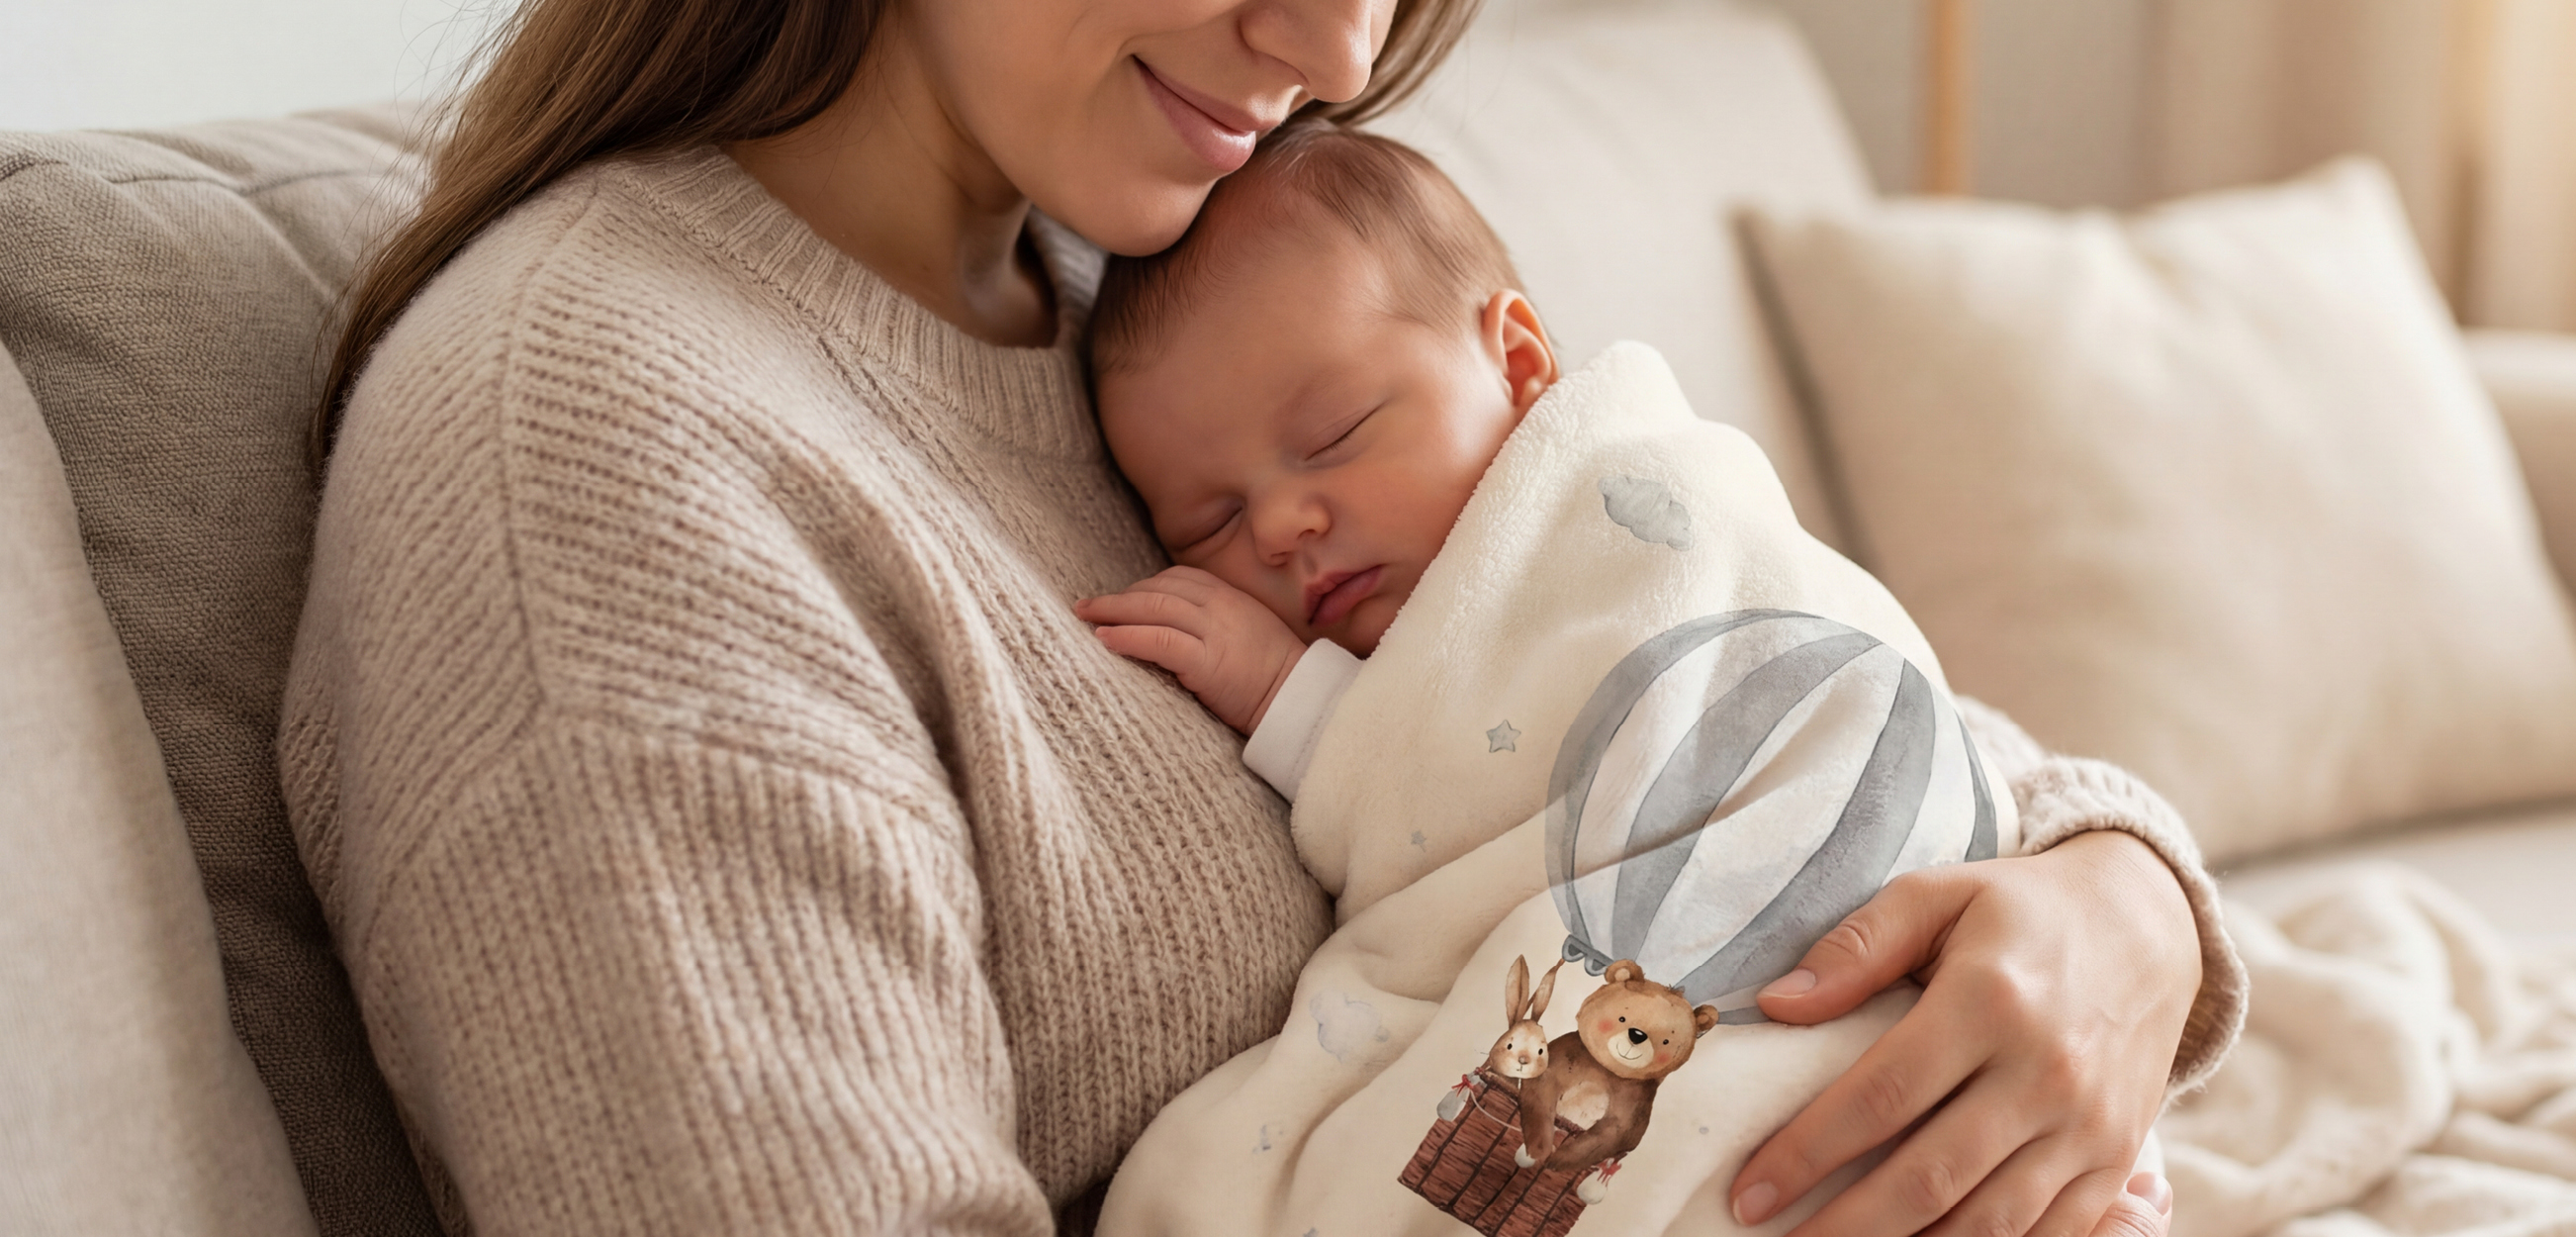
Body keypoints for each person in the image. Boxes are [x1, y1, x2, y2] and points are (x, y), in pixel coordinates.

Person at [282, 0, 2240, 1230]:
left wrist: (2115, 899)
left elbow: (1676, 665)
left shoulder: (1154, 281)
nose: (1336, 51)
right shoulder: (594, 445)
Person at [1073, 122, 2179, 1234]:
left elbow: (1800, 680)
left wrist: (1296, 703)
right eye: (1206, 520)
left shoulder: (1646, 507)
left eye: (1335, 432)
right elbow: (1478, 831)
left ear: (1515, 362)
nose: (1277, 524)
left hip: (1881, 963)